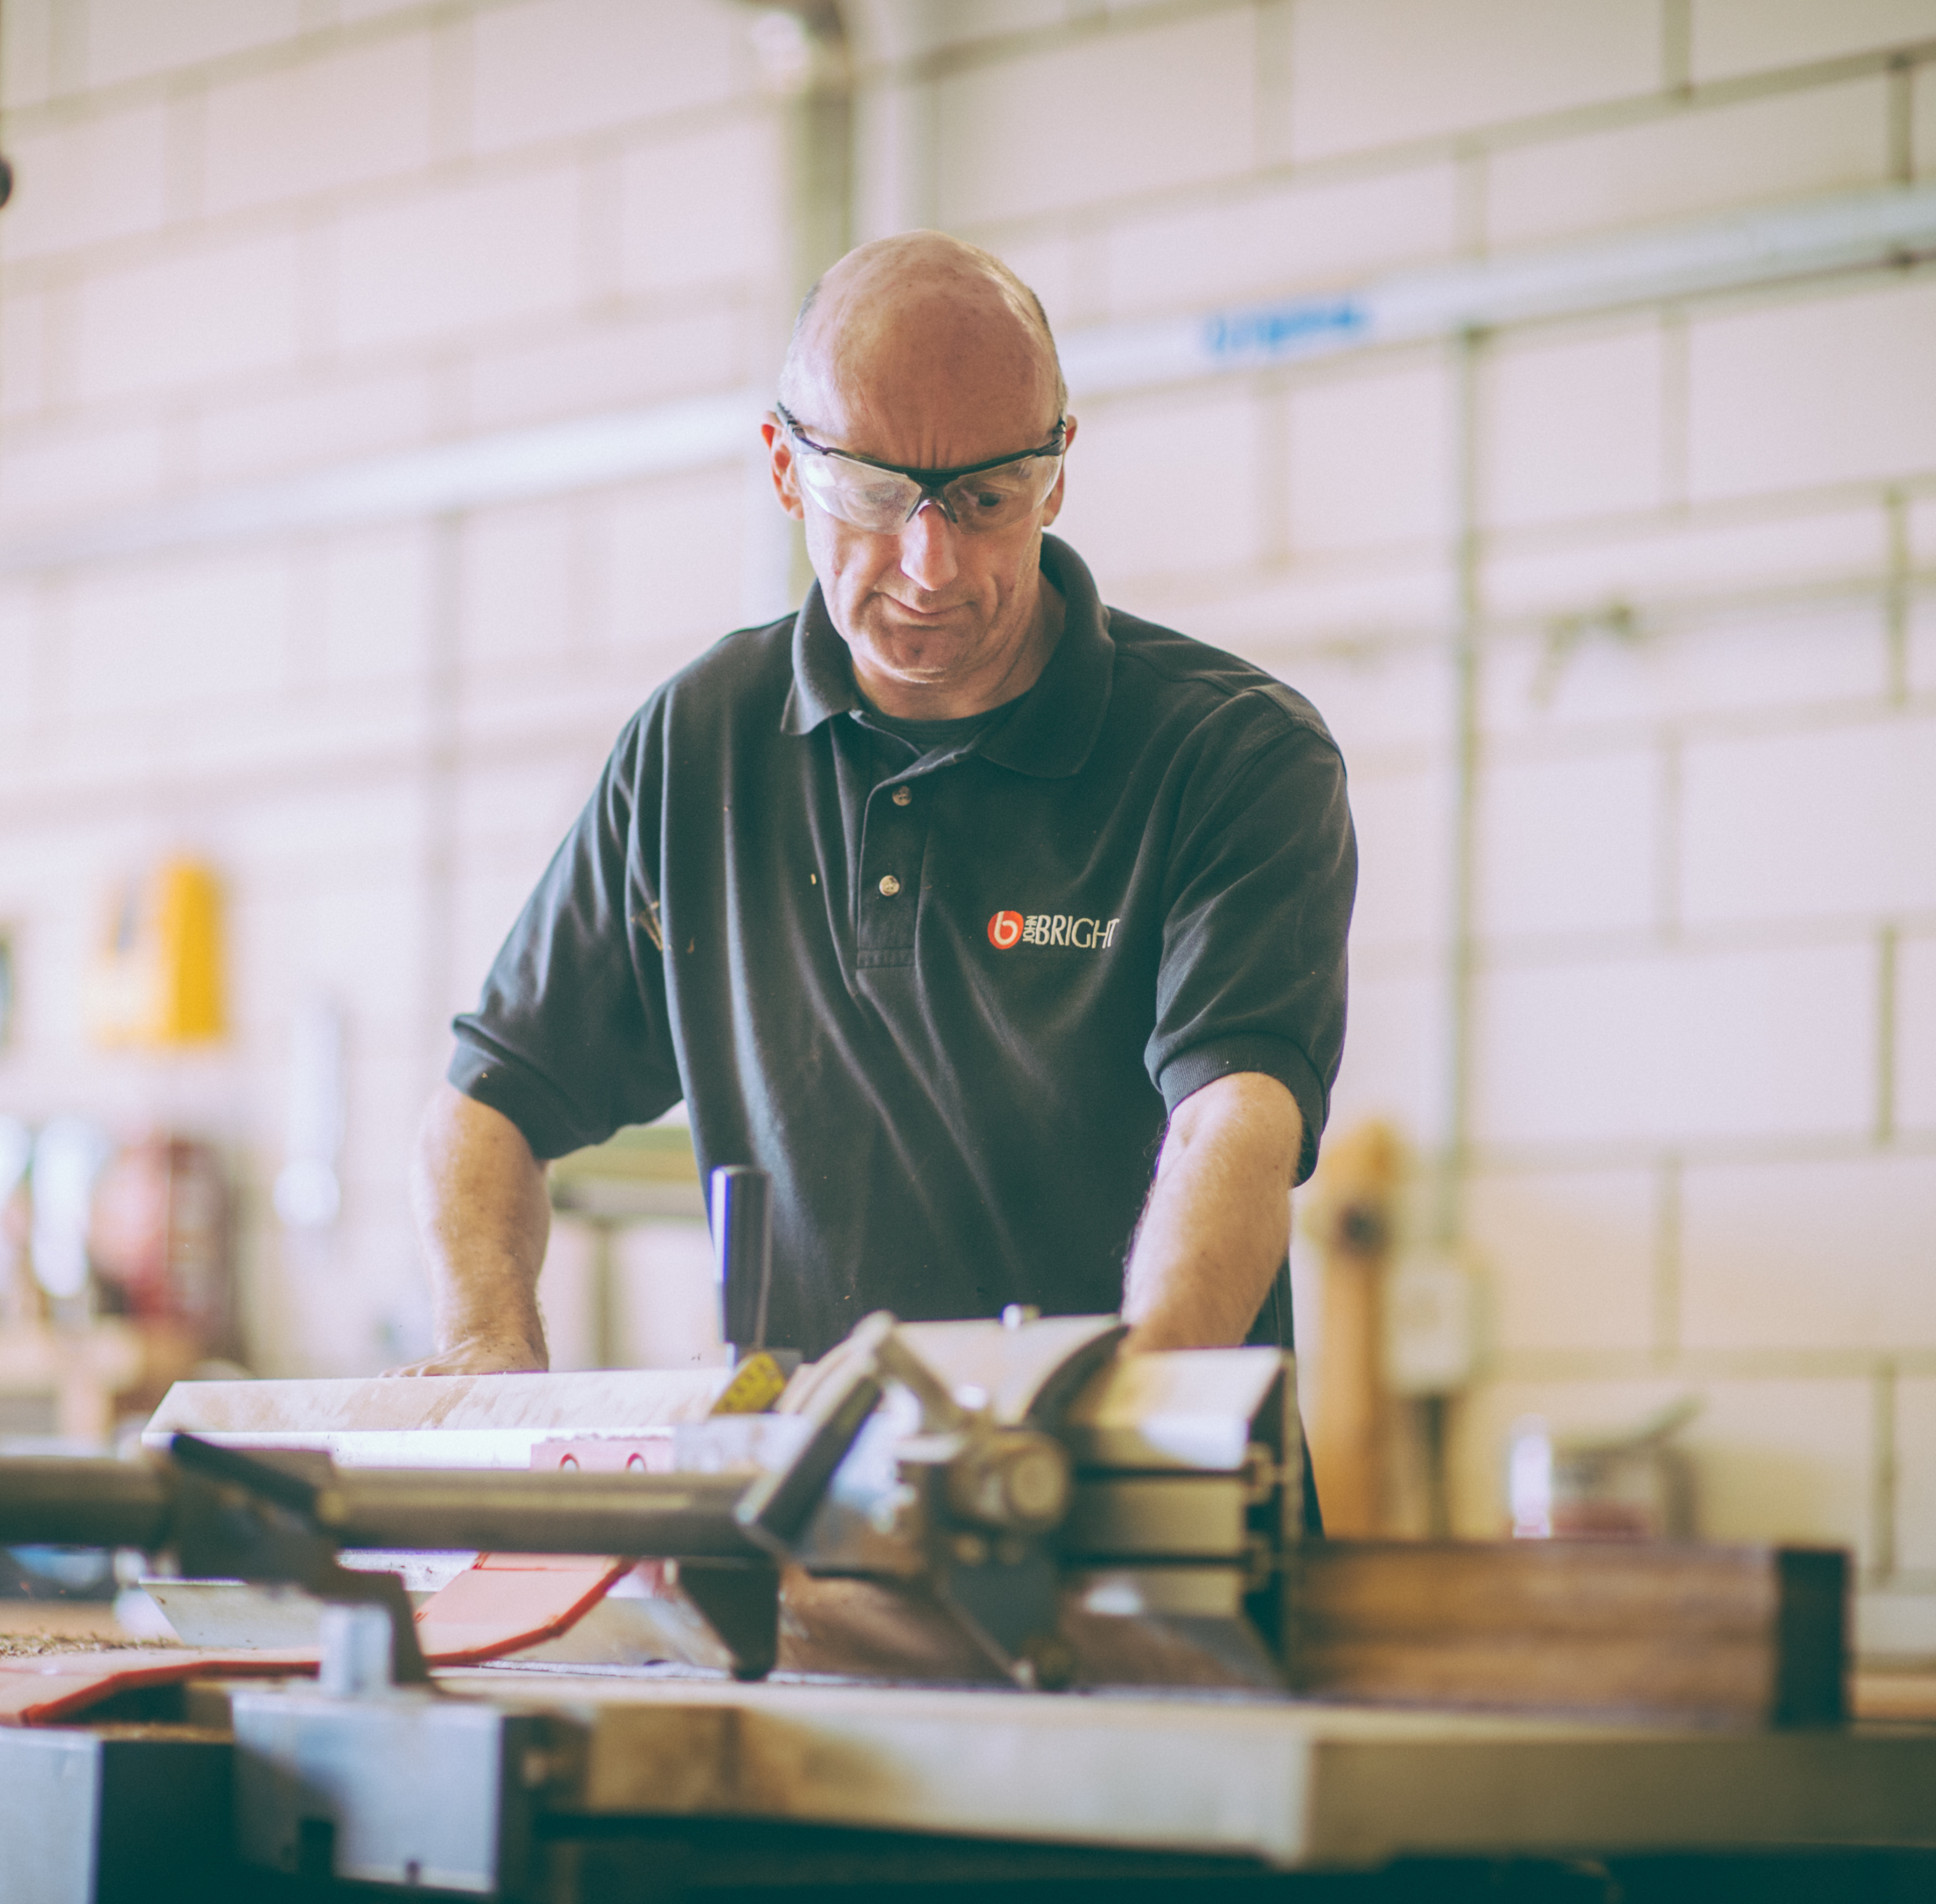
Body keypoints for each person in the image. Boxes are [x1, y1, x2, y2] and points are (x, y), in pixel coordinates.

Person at [402, 230, 1356, 1371]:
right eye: (870, 493)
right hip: (822, 1520)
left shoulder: (1228, 754)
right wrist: (485, 1345)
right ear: (782, 464)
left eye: (988, 497)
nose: (930, 563)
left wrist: (1118, 1429)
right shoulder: (697, 748)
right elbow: (489, 1106)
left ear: (1057, 470)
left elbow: (1231, 1124)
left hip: (1147, 1515)